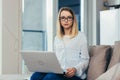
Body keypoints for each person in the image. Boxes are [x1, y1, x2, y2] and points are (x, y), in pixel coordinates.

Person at [30, 7, 89, 80]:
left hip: (74, 76)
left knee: (50, 77)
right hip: (59, 72)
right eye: (63, 18)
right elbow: (56, 58)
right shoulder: (57, 38)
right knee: (36, 75)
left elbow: (85, 59)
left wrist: (75, 69)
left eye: (69, 18)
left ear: (73, 20)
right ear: (59, 20)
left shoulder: (81, 36)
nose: (66, 20)